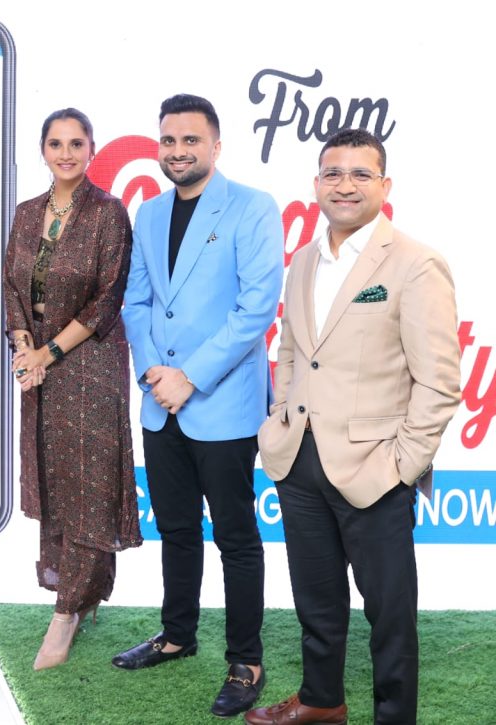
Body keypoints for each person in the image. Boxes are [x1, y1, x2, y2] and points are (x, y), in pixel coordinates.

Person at [247, 129, 461, 725]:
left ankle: (394, 716)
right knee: (315, 599)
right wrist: (280, 420)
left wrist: (402, 464)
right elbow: (293, 351)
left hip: (376, 469)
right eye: (333, 173)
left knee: (390, 613)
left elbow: (440, 381)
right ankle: (322, 701)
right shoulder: (304, 260)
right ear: (316, 184)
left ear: (385, 186)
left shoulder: (416, 264)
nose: (345, 185)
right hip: (299, 460)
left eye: (361, 174)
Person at [117, 93, 283, 717]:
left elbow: (255, 309)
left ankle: (246, 659)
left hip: (221, 403)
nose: (178, 151)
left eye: (191, 140)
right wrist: (155, 375)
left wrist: (189, 377)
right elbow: (136, 302)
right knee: (177, 529)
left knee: (236, 536)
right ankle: (177, 635)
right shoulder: (150, 212)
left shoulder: (252, 207)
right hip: (160, 401)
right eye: (168, 140)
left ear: (215, 145)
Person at [3, 107, 141, 671]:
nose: (66, 153)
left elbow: (108, 299)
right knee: (55, 478)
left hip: (90, 365)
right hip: (36, 366)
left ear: (91, 150)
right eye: (56, 143)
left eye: (76, 143)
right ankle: (79, 594)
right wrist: (23, 348)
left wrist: (47, 353)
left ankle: (66, 613)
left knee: (88, 483)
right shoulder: (25, 213)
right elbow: (11, 287)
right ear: (43, 150)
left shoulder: (109, 213)